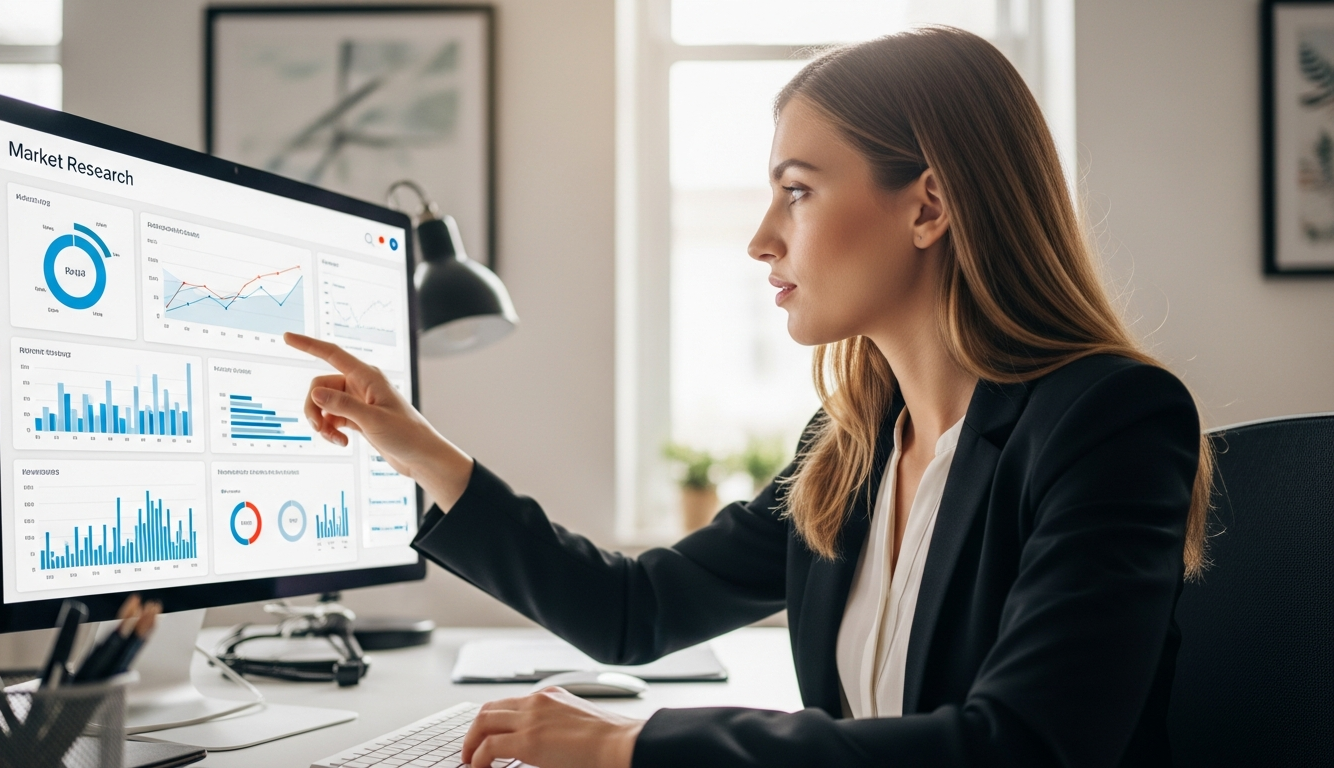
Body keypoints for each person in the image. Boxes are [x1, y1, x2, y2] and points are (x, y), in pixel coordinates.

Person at [285, 25, 1210, 768]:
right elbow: (634, 610)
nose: (761, 238)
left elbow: (1022, 748)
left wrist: (633, 746)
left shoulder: (1109, 422)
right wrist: (414, 445)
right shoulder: (848, 449)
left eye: (796, 191)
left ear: (928, 207)